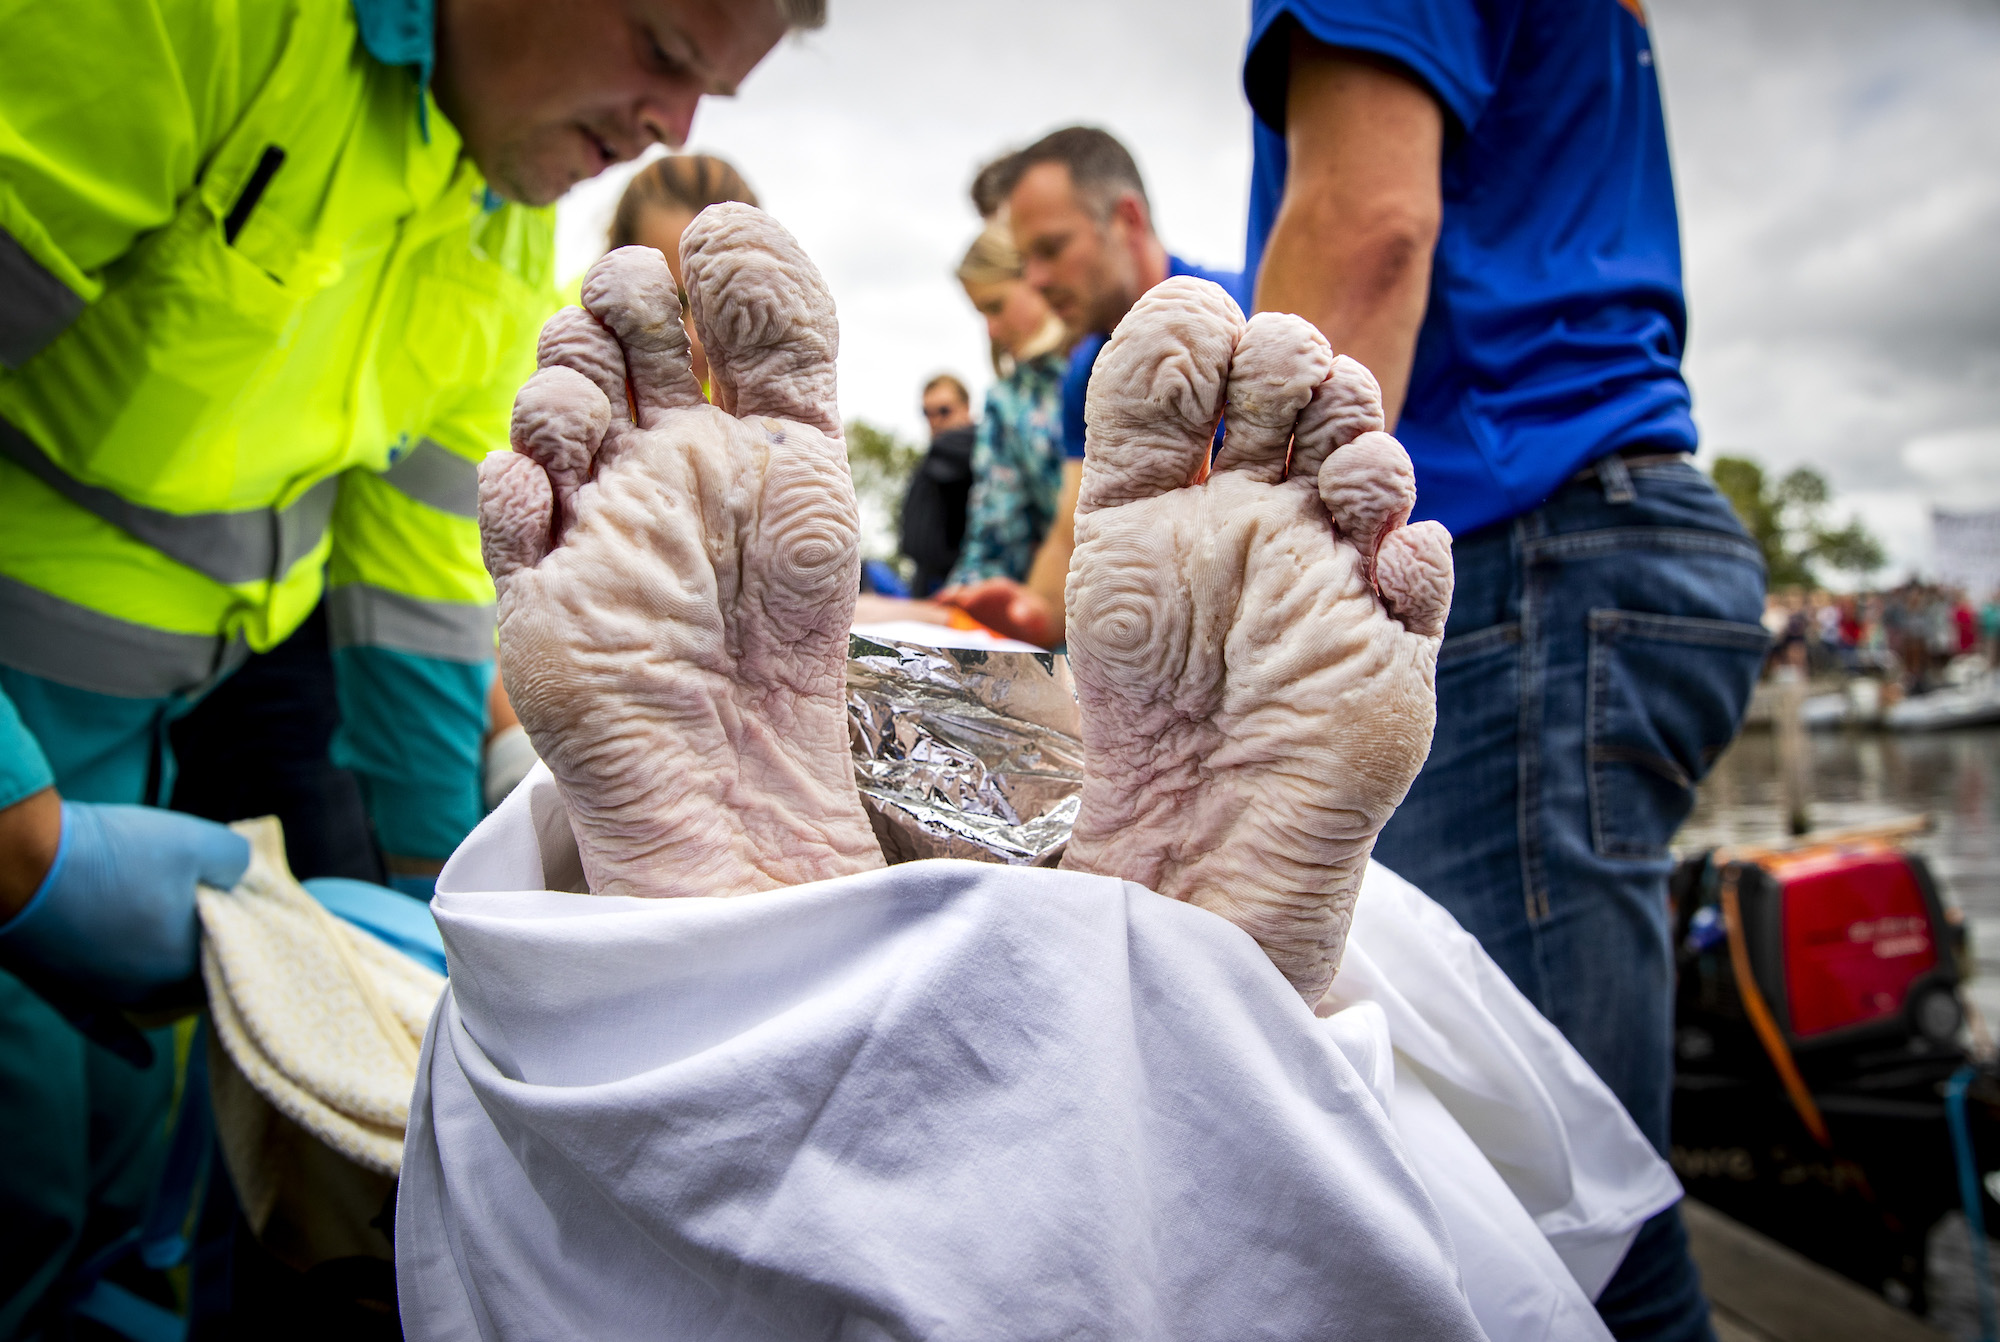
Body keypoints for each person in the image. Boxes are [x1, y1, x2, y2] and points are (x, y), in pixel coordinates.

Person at [0, 0, 816, 1331]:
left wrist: (454, 923)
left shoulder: (497, 222)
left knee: (117, 1159)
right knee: (24, 1171)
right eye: (666, 51)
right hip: (23, 719)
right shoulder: (188, 24)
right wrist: (12, 814)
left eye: (713, 89)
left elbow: (417, 594)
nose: (671, 124)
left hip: (154, 731)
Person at [1240, 4, 1770, 1338]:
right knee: (1561, 1193)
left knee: (1554, 1224)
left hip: (1522, 549)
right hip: (1596, 541)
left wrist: (1235, 600)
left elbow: (1367, 229)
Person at [942, 127, 1245, 647]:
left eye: (1051, 249)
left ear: (1127, 219)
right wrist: (1030, 615)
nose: (1034, 279)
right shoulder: (1085, 374)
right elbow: (1068, 538)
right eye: (1024, 259)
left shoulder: (1247, 314)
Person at [939, 219, 1070, 590]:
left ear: (1038, 276)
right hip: (1071, 619)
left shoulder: (1121, 350)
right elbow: (994, 543)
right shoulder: (1008, 403)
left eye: (995, 306)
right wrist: (951, 609)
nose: (992, 331)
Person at [608, 152, 764, 394]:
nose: (693, 337)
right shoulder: (552, 362)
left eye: (719, 308)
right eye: (669, 304)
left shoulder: (780, 414)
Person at [900, 374, 978, 596]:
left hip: (960, 584)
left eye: (944, 411)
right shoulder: (933, 460)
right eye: (927, 413)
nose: (934, 420)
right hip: (922, 582)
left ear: (966, 408)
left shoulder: (979, 450)